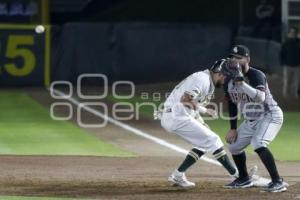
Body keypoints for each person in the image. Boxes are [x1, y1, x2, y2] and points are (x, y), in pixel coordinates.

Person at [159, 59, 238, 188]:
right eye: (227, 77)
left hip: (179, 115)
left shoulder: (207, 82)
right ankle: (236, 175)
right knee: (213, 140)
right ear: (220, 73)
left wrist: (201, 122)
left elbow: (190, 105)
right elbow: (185, 100)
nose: (227, 80)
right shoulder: (202, 79)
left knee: (203, 143)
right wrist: (205, 110)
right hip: (176, 116)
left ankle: (178, 175)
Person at [223, 45, 287, 192]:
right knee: (233, 146)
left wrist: (242, 83)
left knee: (258, 142)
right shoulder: (228, 81)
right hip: (250, 120)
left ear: (248, 59)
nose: (235, 60)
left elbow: (260, 97)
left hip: (269, 115)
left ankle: (278, 181)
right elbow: (232, 104)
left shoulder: (256, 75)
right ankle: (244, 179)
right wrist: (233, 128)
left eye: (239, 58)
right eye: (232, 57)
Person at [280, 27, 300, 99]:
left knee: (297, 82)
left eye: (294, 33)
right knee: (287, 81)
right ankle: (285, 94)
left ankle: (296, 94)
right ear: (289, 34)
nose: (292, 34)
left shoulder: (298, 42)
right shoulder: (285, 43)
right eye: (291, 32)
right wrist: (283, 63)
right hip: (287, 65)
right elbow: (281, 54)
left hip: (297, 66)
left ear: (296, 34)